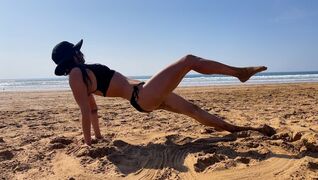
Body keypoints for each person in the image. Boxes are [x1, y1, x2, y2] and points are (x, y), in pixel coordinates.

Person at [51, 39, 275, 145]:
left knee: (195, 111)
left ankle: (239, 129)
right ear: (72, 57)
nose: (82, 54)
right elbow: (85, 110)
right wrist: (89, 142)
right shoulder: (75, 75)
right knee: (188, 60)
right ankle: (239, 73)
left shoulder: (80, 74)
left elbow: (92, 109)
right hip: (142, 96)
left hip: (144, 96)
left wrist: (98, 137)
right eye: (77, 52)